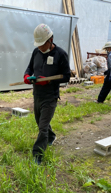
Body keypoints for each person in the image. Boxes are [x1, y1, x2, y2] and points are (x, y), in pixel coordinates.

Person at [23, 23, 70, 165]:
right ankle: (52, 136)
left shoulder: (61, 54)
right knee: (40, 122)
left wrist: (48, 81)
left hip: (50, 96)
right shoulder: (36, 52)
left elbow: (66, 76)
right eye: (38, 44)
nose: (40, 47)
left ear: (51, 39)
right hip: (37, 94)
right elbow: (30, 67)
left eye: (42, 44)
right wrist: (26, 76)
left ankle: (37, 155)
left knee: (42, 127)